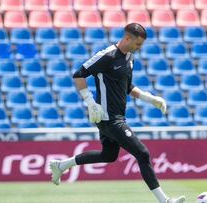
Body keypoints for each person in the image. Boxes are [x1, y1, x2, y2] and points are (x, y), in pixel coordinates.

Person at [49, 23, 186, 203]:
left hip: (116, 117)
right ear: (127, 38)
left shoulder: (129, 57)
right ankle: (164, 200)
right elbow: (79, 74)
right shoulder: (107, 56)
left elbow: (128, 87)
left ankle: (61, 165)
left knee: (109, 155)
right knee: (143, 154)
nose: (139, 49)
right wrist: (90, 101)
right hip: (108, 118)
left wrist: (151, 99)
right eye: (137, 44)